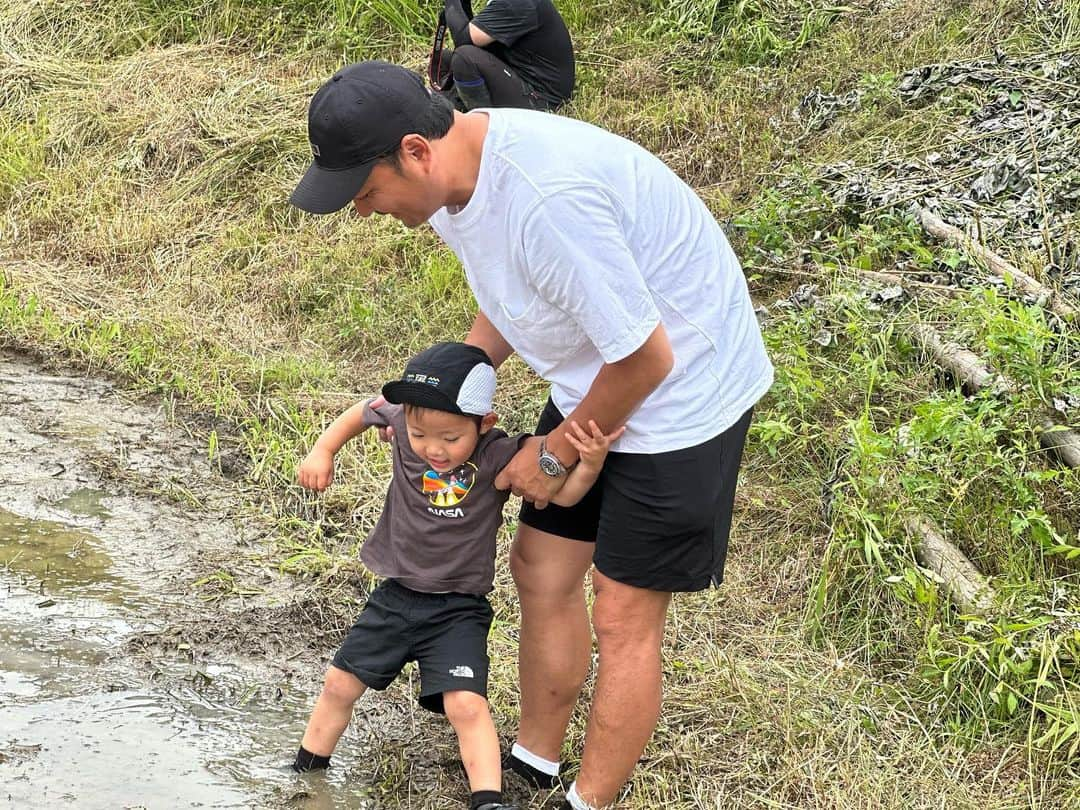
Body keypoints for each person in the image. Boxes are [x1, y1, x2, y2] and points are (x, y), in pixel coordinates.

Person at [289, 62, 774, 810]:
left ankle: (590, 801)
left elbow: (648, 356)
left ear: (415, 151)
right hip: (600, 368)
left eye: (365, 192)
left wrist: (551, 456)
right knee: (542, 565)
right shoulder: (452, 187)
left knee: (622, 610)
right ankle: (534, 761)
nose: (362, 211)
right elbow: (511, 300)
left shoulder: (546, 200)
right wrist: (461, 381)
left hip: (684, 392)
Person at [291, 341, 622, 810]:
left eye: (450, 438)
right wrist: (323, 450)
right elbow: (362, 411)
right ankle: (306, 774)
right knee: (339, 685)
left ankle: (487, 800)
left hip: (456, 611)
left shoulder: (500, 454)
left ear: (483, 423)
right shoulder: (404, 422)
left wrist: (589, 465)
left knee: (466, 705)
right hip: (394, 598)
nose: (434, 449)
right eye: (421, 433)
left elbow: (564, 498)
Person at [429, 0, 574, 111]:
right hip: (517, 72)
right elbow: (473, 40)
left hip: (541, 98)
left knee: (464, 59)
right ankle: (454, 102)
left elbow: (463, 40)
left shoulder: (515, 4)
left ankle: (481, 123)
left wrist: (452, 3)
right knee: (445, 59)